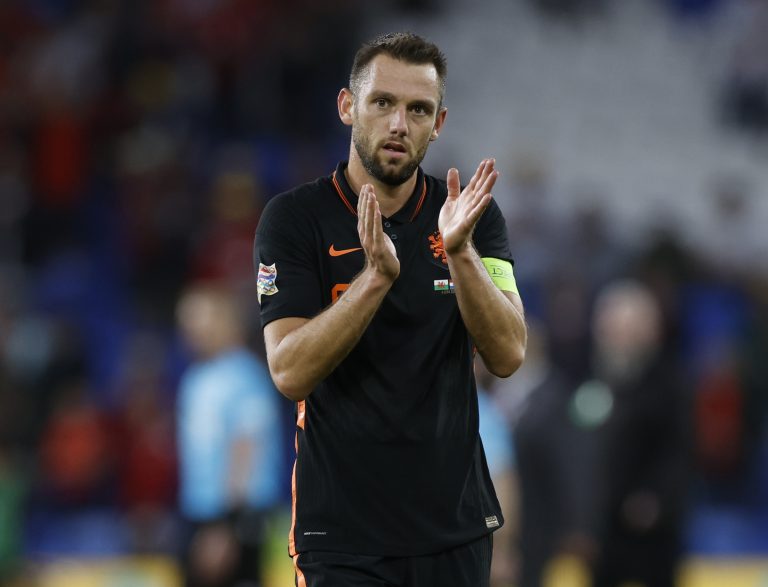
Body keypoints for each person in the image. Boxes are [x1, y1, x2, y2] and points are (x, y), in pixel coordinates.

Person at [253, 32, 527, 587]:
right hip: (343, 540)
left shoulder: (471, 219)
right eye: (383, 103)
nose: (399, 124)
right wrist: (375, 279)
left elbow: (509, 353)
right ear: (347, 106)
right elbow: (289, 370)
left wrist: (460, 255)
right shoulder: (295, 220)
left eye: (418, 109)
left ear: (439, 123)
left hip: (454, 530)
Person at [176, 283, 284, 587]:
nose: (192, 329)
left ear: (226, 321)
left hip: (236, 518)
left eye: (200, 319)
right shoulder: (195, 378)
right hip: (200, 512)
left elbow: (245, 450)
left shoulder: (245, 376)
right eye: (186, 321)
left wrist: (227, 527)